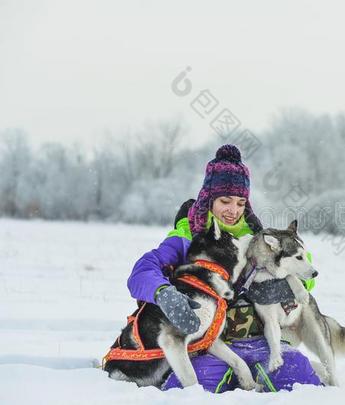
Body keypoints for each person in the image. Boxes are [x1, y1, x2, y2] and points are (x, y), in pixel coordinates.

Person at [127, 144, 321, 392]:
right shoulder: (187, 237)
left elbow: (305, 270)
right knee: (187, 391)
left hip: (260, 341)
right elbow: (142, 271)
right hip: (208, 347)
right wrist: (163, 293)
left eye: (241, 202)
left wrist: (287, 286)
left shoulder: (258, 239)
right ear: (209, 199)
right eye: (225, 201)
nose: (233, 210)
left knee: (300, 379)